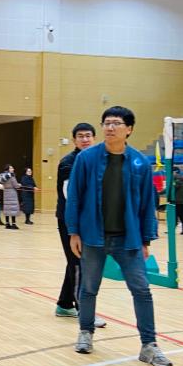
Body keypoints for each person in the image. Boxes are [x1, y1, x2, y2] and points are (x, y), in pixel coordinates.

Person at [65, 106, 172, 366]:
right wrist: (74, 231)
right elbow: (75, 196)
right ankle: (85, 332)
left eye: (116, 123)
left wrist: (146, 239)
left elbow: (147, 203)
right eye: (106, 123)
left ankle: (149, 345)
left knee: (142, 290)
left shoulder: (140, 162)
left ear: (129, 129)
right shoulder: (86, 159)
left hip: (129, 239)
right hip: (92, 236)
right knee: (89, 288)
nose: (110, 128)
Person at [55, 122, 105, 331]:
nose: (85, 139)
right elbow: (70, 195)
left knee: (76, 262)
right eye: (81, 136)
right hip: (71, 221)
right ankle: (85, 311)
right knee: (78, 263)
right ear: (74, 140)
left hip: (90, 220)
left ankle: (65, 304)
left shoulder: (97, 159)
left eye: (88, 136)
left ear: (94, 138)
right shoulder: (68, 162)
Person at [172, 167, 183, 235]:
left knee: (175, 216)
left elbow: (173, 188)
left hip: (178, 202)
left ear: (174, 172)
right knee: (182, 217)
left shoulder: (177, 180)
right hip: (182, 202)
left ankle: (172, 230)